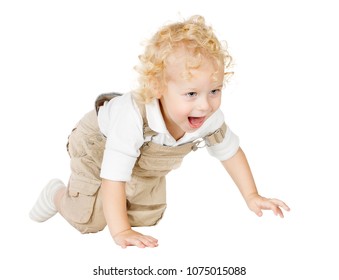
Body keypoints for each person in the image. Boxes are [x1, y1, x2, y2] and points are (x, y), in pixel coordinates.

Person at [29, 15, 290, 248]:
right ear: (157, 89)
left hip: (142, 161)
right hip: (96, 146)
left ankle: (119, 207)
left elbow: (230, 153)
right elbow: (113, 177)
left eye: (214, 91)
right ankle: (58, 195)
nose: (205, 105)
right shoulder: (131, 117)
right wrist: (121, 231)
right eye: (191, 94)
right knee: (91, 220)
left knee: (146, 217)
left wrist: (252, 195)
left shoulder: (208, 117)